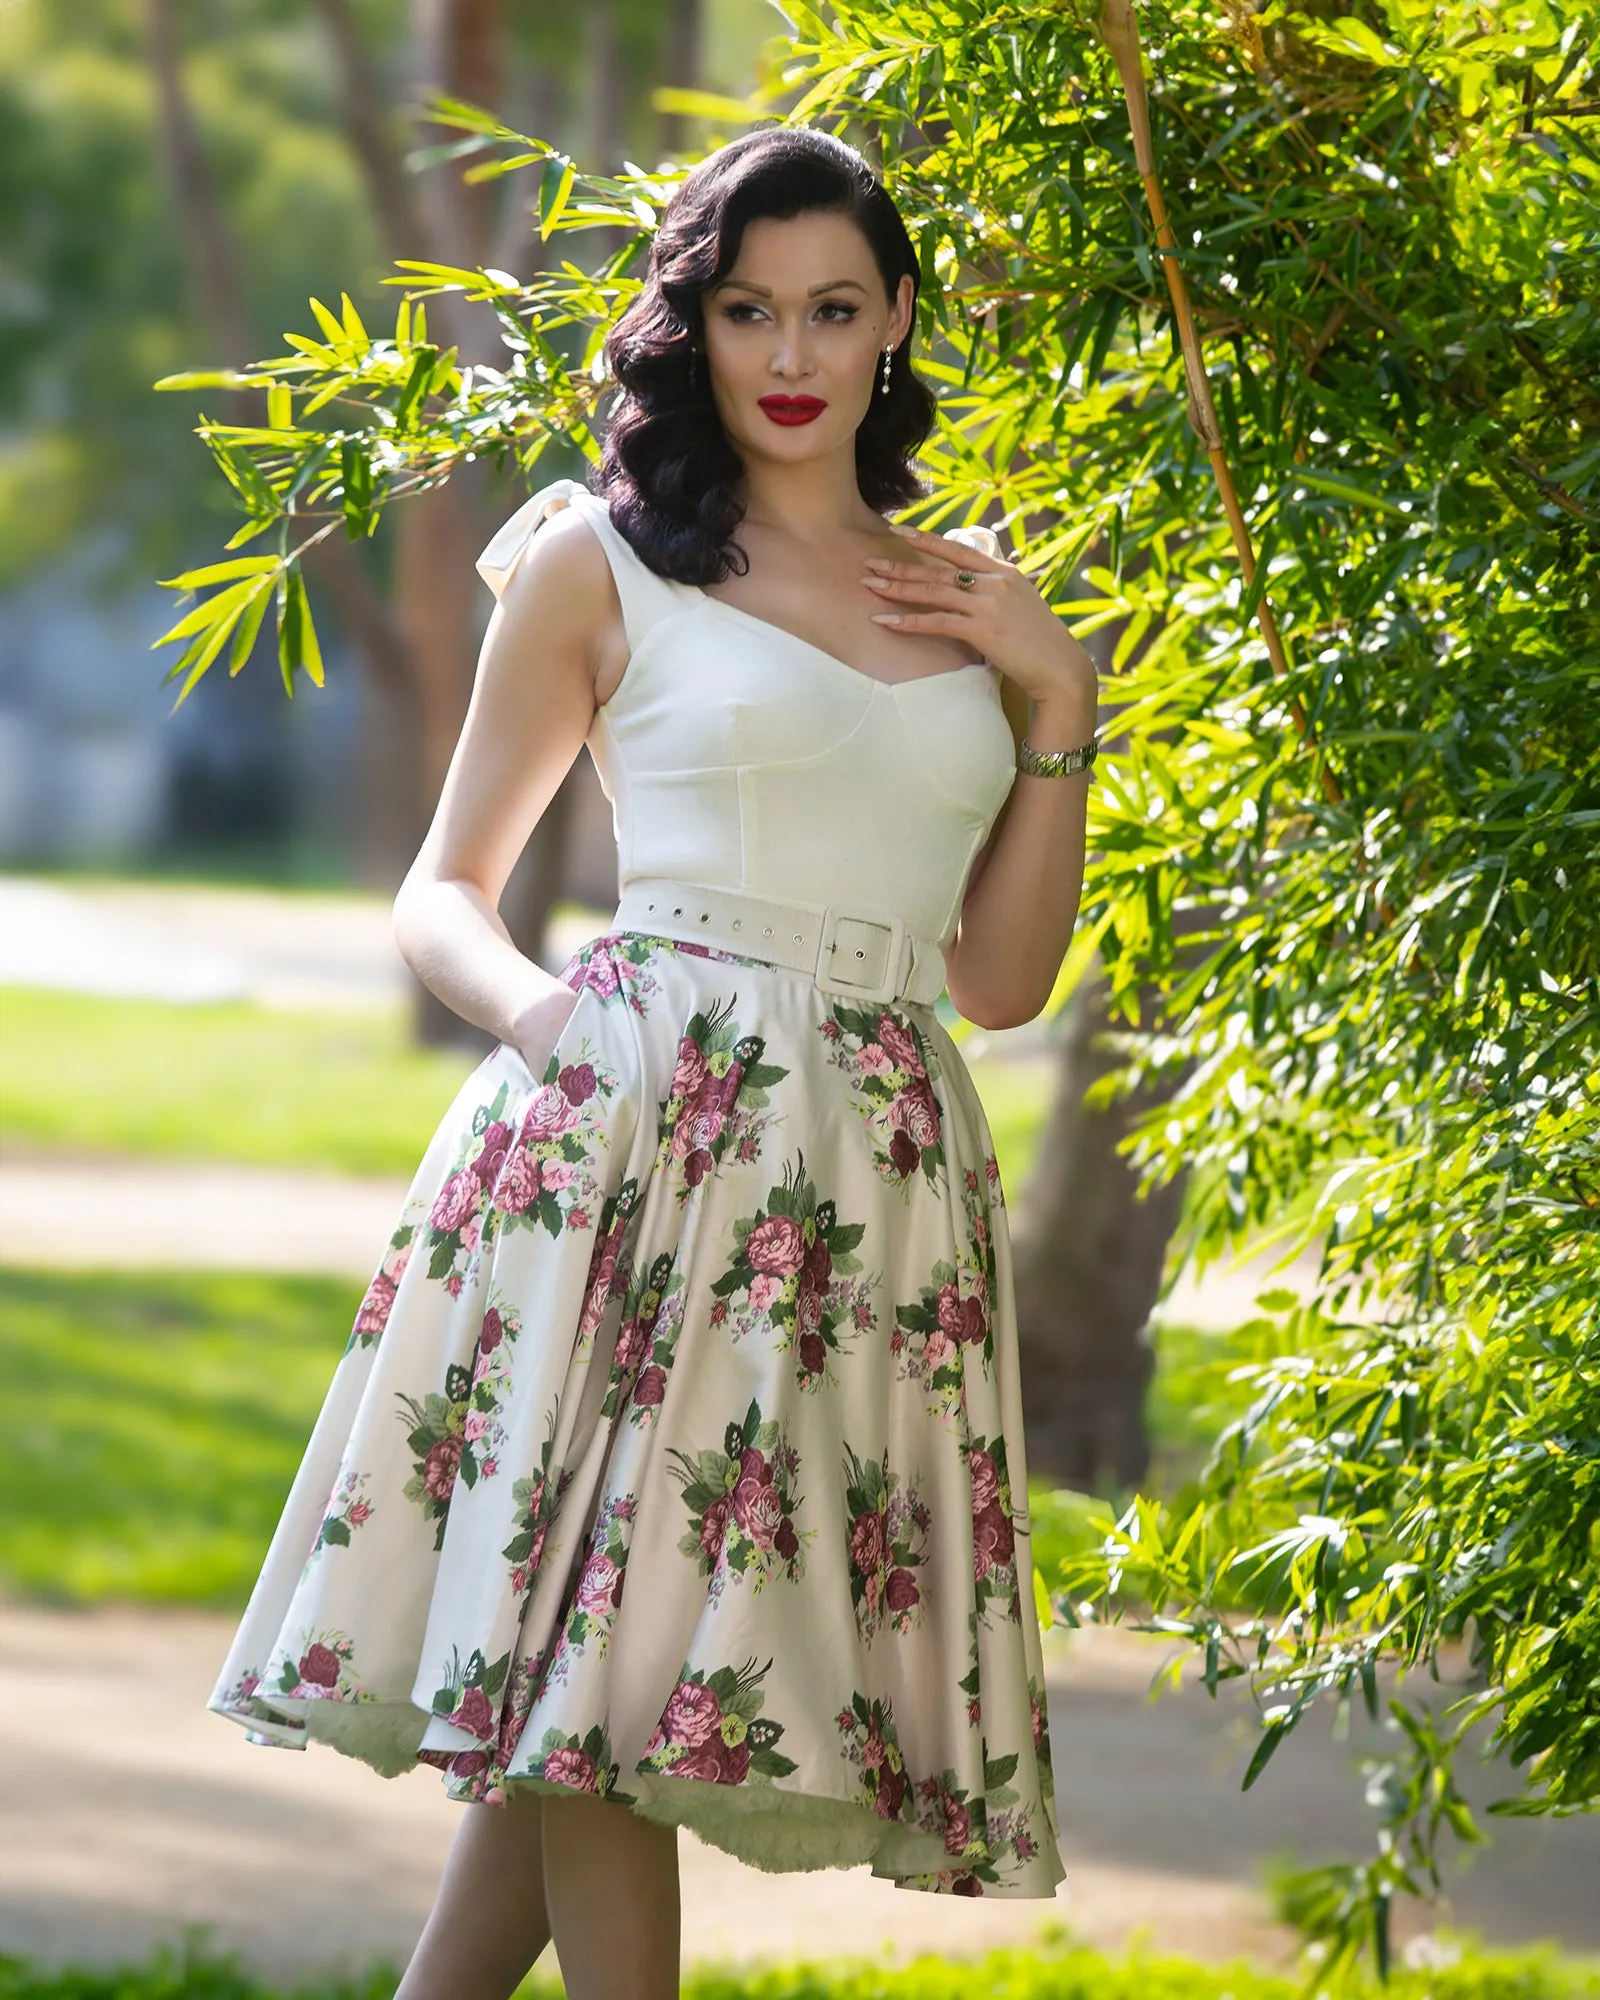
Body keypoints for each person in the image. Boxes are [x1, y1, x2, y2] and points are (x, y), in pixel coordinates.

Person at [208, 125, 1100, 2000]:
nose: (790, 352)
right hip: (635, 1135)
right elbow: (447, 889)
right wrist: (558, 1033)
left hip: (866, 1176)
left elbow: (1001, 981)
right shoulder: (601, 562)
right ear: (692, 329)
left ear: (894, 328)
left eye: (833, 310)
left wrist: (1060, 706)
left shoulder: (971, 599)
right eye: (748, 307)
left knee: (615, 1673)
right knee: (611, 1673)